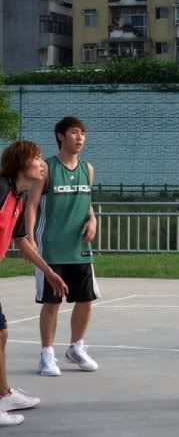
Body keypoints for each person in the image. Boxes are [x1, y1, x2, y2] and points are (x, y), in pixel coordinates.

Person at [0, 141, 68, 426]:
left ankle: (3, 394)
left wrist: (48, 272)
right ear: (21, 163)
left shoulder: (17, 197)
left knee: (1, 333)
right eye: (37, 158)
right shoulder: (1, 189)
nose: (42, 164)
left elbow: (22, 241)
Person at [26, 117, 99, 377]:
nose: (80, 138)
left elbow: (86, 201)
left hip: (79, 247)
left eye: (83, 134)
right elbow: (32, 205)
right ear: (60, 136)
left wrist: (93, 219)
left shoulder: (88, 169)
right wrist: (30, 238)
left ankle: (76, 347)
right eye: (74, 133)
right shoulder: (46, 169)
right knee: (52, 303)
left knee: (86, 300)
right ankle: (47, 355)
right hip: (51, 247)